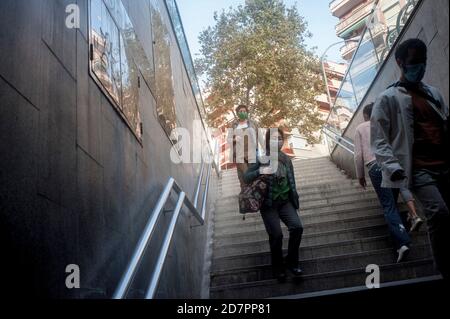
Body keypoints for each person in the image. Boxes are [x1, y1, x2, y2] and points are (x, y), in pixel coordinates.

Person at [371, 38, 449, 278]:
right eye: (414, 62)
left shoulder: (433, 93)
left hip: (444, 164)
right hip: (418, 169)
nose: (420, 67)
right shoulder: (388, 98)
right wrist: (393, 167)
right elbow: (379, 139)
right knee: (438, 212)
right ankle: (444, 268)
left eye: (423, 62)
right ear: (400, 63)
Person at [243, 128, 303, 282]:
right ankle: (278, 267)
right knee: (276, 235)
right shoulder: (262, 158)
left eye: (280, 137)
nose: (279, 140)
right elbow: (246, 176)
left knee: (297, 227)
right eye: (275, 138)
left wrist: (294, 199)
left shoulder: (286, 159)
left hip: (285, 202)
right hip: (269, 204)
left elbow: (292, 181)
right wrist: (261, 171)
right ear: (268, 141)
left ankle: (292, 261)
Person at [354, 103, 412, 263]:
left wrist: (360, 175)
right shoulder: (384, 122)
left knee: (388, 206)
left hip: (375, 167)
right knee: (392, 202)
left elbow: (358, 155)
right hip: (392, 165)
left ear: (365, 115)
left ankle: (402, 242)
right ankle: (400, 233)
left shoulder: (360, 128)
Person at [227, 105, 263, 190]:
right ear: (237, 113)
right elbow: (228, 139)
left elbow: (260, 136)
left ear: (247, 112)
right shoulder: (233, 125)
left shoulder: (253, 123)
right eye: (240, 111)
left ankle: (256, 192)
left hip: (252, 152)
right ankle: (245, 193)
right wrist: (234, 139)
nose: (242, 112)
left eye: (244, 111)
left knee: (254, 174)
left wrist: (265, 147)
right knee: (244, 175)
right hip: (240, 154)